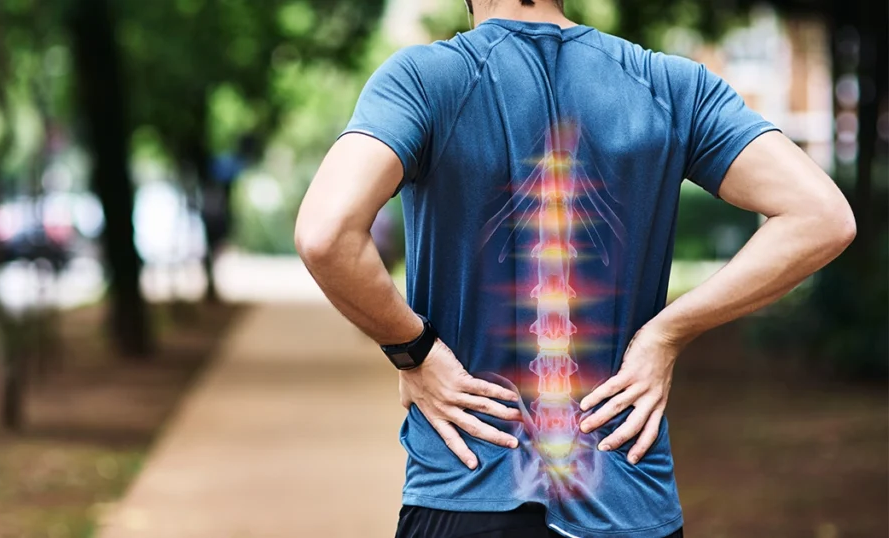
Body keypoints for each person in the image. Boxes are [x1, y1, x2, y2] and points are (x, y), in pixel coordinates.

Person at [294, 0, 856, 536]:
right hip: (628, 496)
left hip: (466, 486)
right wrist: (666, 334)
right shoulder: (669, 86)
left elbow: (327, 234)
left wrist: (413, 348)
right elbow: (821, 216)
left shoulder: (424, 79)